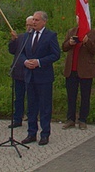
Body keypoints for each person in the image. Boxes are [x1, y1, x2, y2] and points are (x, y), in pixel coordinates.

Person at [19, 10, 60, 146]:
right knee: (31, 106)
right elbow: (21, 52)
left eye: (36, 20)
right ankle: (31, 133)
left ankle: (45, 133)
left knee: (44, 106)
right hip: (30, 76)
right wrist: (25, 62)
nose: (34, 23)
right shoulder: (28, 35)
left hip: (44, 77)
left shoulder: (50, 36)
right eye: (33, 20)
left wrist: (39, 62)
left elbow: (55, 54)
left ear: (44, 21)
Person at [62, 16, 95, 130]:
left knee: (85, 96)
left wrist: (87, 42)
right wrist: (69, 43)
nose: (80, 21)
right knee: (71, 96)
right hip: (71, 69)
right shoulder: (71, 31)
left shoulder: (94, 34)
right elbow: (64, 47)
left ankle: (83, 119)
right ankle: (70, 119)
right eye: (78, 19)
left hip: (86, 70)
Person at [8, 15, 34, 128]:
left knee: (31, 96)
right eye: (27, 25)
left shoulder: (37, 38)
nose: (29, 27)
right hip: (19, 72)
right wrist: (13, 40)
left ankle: (31, 117)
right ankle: (17, 118)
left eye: (31, 25)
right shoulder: (21, 37)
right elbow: (13, 51)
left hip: (31, 72)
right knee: (18, 97)